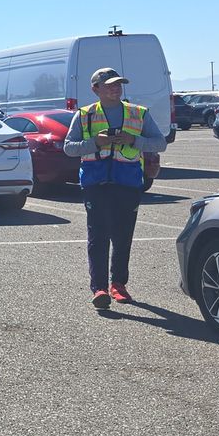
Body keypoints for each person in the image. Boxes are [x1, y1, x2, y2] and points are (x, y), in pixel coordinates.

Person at [61, 67, 167, 310]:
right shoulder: (84, 115)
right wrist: (95, 143)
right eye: (109, 85)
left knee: (123, 236)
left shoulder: (138, 113)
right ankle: (99, 288)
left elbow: (160, 143)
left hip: (128, 182)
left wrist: (134, 140)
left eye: (118, 84)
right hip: (95, 183)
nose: (115, 88)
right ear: (95, 89)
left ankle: (118, 284)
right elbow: (69, 148)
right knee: (98, 236)